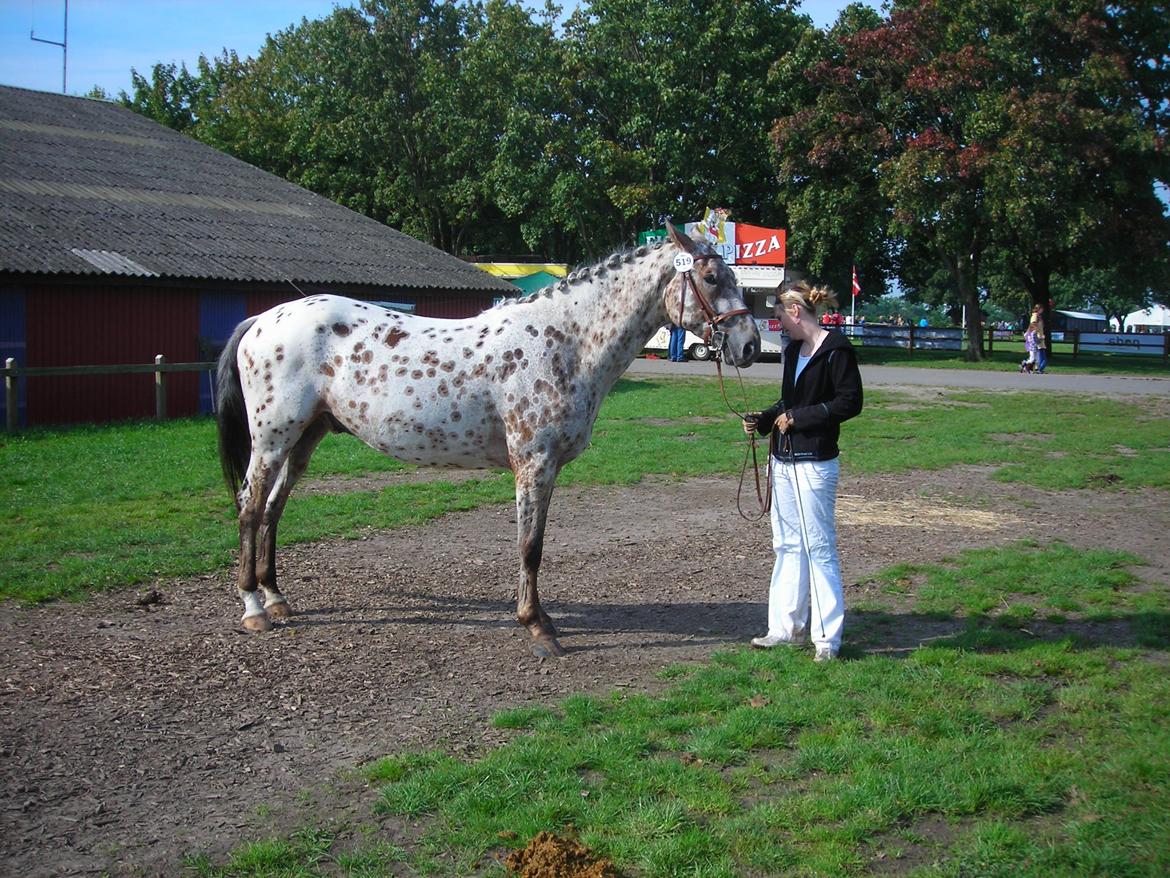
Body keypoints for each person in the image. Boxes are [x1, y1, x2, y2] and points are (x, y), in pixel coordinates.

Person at [742, 281, 863, 662]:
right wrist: (764, 419)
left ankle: (826, 639)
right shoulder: (794, 351)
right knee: (787, 544)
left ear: (795, 312)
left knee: (818, 547)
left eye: (780, 316)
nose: (778, 323)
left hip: (815, 463)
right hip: (783, 460)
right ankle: (785, 629)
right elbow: (789, 401)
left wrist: (801, 417)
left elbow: (849, 402)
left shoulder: (837, 350)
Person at [1031, 304, 1048, 373]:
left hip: (1041, 337)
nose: (1042, 310)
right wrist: (1037, 332)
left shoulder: (1039, 316)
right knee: (1042, 356)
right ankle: (1039, 369)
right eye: (1041, 308)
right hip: (1038, 338)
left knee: (1041, 355)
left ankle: (1039, 369)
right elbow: (1033, 324)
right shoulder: (1035, 316)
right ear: (1038, 309)